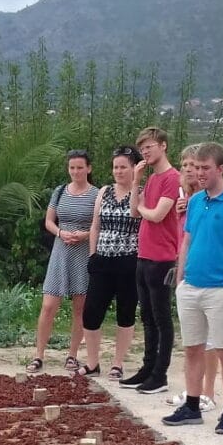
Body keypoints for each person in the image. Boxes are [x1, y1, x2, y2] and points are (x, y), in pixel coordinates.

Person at [162, 142, 223, 434]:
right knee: (192, 349)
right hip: (191, 285)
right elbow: (187, 240)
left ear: (220, 169)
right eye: (197, 167)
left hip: (220, 288)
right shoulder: (195, 201)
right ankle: (192, 405)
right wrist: (180, 279)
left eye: (205, 168)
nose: (200, 173)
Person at [119, 127, 181, 394]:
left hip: (162, 257)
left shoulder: (172, 178)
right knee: (147, 316)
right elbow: (134, 211)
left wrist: (144, 208)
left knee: (161, 317)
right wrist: (136, 182)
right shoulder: (152, 178)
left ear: (163, 146)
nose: (145, 152)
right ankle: (147, 368)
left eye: (150, 146)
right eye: (142, 148)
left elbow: (156, 215)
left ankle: (160, 374)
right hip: (144, 254)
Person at [28, 149, 96, 373]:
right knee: (48, 306)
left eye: (80, 167)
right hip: (61, 250)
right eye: (72, 168)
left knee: (80, 307)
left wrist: (85, 235)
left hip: (83, 252)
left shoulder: (97, 194)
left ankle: (72, 355)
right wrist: (60, 232)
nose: (76, 172)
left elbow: (100, 225)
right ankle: (39, 355)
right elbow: (49, 221)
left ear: (88, 168)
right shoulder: (59, 192)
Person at [76, 146, 141, 379]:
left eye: (123, 167)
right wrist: (92, 254)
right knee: (91, 312)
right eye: (115, 167)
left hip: (129, 260)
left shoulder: (141, 193)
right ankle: (92, 362)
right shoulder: (104, 191)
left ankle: (118, 363)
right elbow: (96, 225)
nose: (119, 171)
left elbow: (140, 219)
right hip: (102, 259)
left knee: (125, 312)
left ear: (134, 168)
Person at [166, 145, 220, 411]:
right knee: (192, 338)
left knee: (209, 339)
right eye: (185, 164)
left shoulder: (206, 199)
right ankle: (194, 391)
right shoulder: (186, 198)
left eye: (195, 165)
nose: (189, 170)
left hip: (211, 273)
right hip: (188, 270)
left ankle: (208, 392)